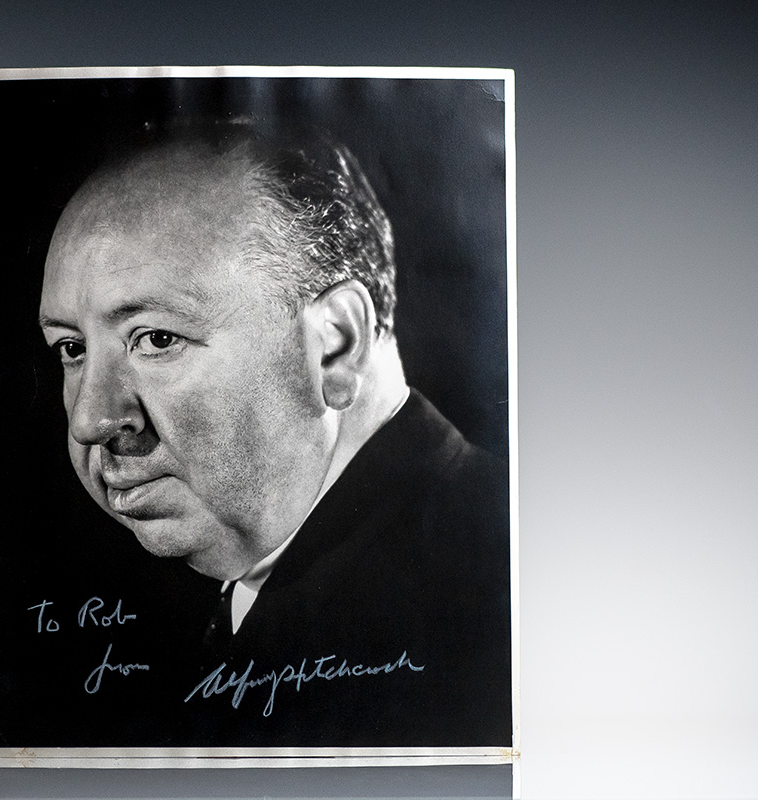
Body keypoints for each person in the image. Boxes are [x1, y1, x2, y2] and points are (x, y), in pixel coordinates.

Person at [38, 123, 511, 746]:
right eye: (72, 349)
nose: (91, 421)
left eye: (157, 339)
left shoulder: (494, 604)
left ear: (334, 346)